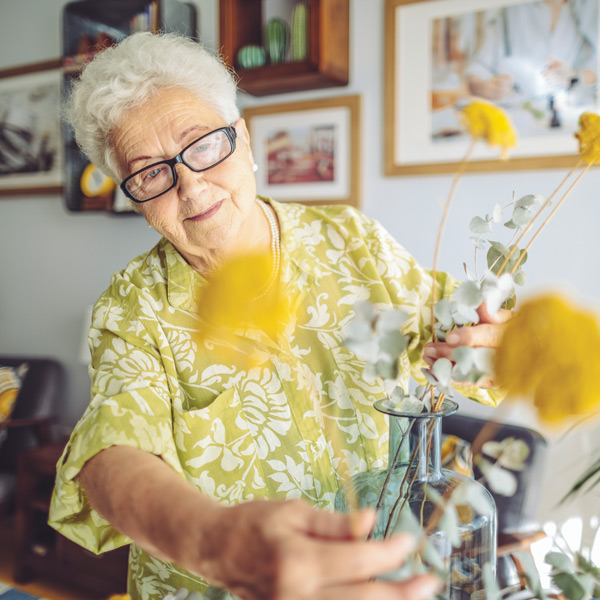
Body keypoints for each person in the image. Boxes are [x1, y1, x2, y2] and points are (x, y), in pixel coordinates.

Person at [49, 32, 506, 600]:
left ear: (242, 137)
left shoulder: (351, 240)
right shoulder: (133, 306)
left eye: (204, 145)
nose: (190, 184)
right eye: (149, 173)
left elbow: (463, 334)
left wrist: (490, 343)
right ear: (135, 198)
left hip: (369, 577)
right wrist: (213, 539)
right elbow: (111, 452)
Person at [465, 0, 597, 106]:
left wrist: (574, 78)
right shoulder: (513, 9)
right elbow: (477, 71)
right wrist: (487, 87)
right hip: (520, 117)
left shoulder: (588, 8)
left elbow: (595, 68)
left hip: (572, 115)